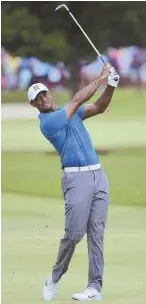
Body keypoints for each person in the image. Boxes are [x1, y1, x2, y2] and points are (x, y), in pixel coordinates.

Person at [27, 63, 120, 301]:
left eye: (44, 93)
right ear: (34, 105)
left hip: (97, 175)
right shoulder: (48, 122)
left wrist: (111, 85)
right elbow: (78, 98)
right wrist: (101, 77)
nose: (43, 99)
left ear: (49, 93)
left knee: (96, 233)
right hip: (75, 178)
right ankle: (55, 277)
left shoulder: (70, 112)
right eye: (37, 98)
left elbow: (99, 106)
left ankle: (94, 287)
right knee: (74, 233)